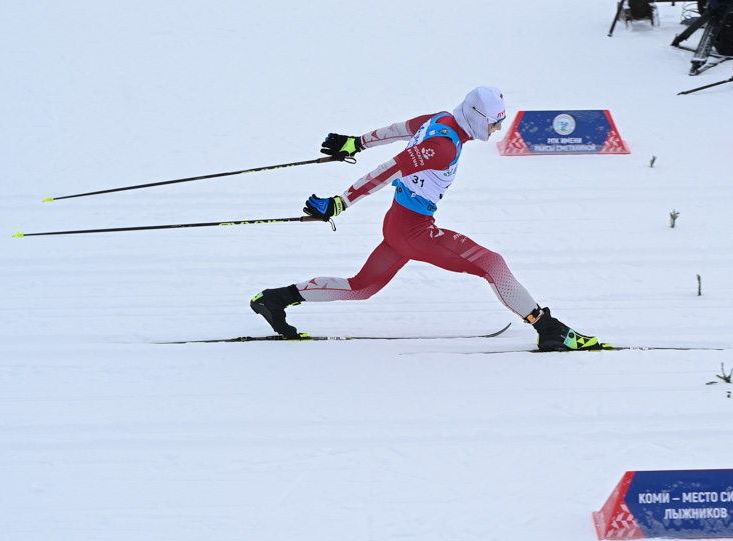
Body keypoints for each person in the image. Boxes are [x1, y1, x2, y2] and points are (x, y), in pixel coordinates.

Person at [249, 86, 606, 351]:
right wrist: (340, 203)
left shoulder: (443, 120)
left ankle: (275, 299)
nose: (497, 130)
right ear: (480, 118)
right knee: (492, 264)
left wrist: (356, 143)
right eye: (495, 123)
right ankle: (549, 329)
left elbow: (397, 130)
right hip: (413, 231)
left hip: (398, 223)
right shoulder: (443, 147)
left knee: (362, 286)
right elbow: (390, 169)